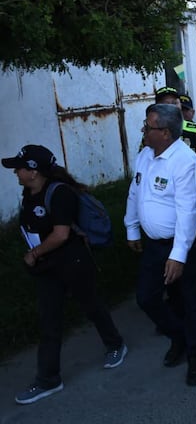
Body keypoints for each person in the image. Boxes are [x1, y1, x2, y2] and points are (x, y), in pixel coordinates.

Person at [4, 145, 127, 405]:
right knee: (49, 321)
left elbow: (60, 234)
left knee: (91, 305)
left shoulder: (60, 194)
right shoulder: (29, 193)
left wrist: (34, 253)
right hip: (47, 267)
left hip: (72, 261)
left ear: (34, 172)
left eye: (20, 167)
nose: (16, 171)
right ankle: (49, 379)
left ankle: (115, 344)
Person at [124, 103, 196, 386]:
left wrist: (178, 255)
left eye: (149, 126)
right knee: (146, 298)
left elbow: (188, 210)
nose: (144, 130)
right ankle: (179, 337)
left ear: (166, 132)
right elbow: (135, 192)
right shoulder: (145, 156)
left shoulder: (185, 161)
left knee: (191, 299)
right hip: (153, 245)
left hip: (184, 244)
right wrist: (132, 227)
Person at [155, 87, 196, 154]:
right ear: (156, 108)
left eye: (174, 103)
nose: (171, 107)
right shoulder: (152, 132)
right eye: (166, 104)